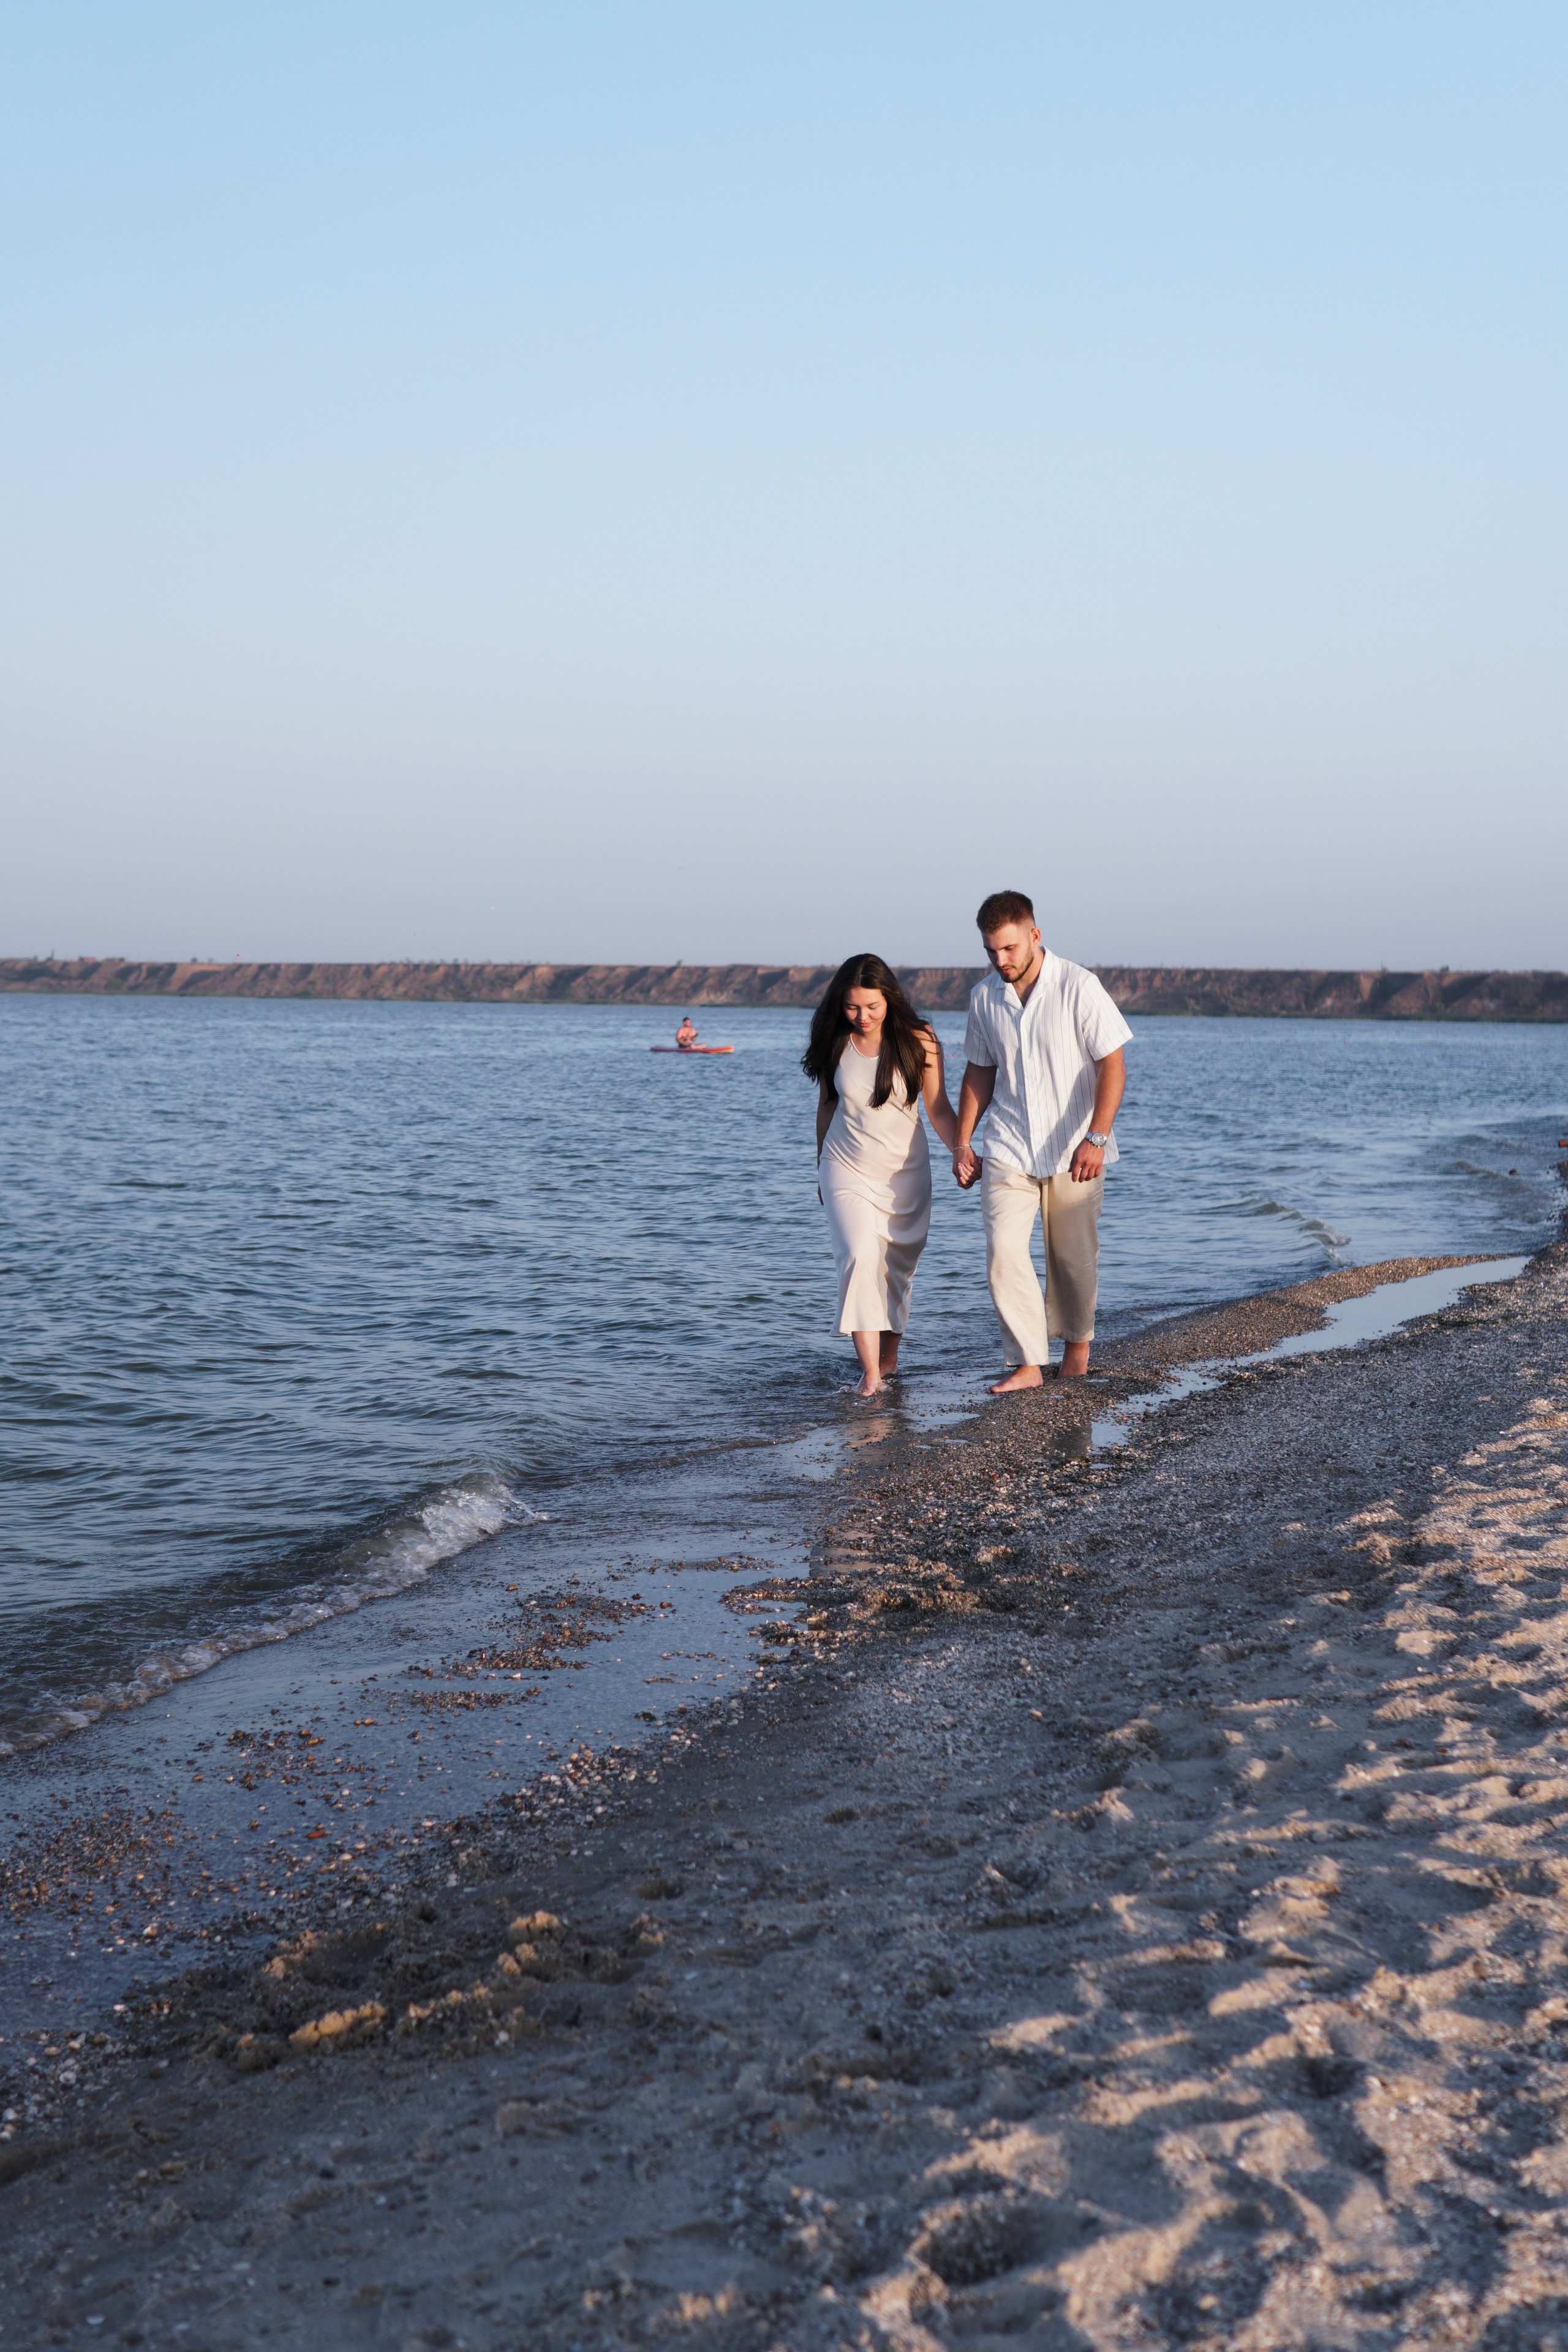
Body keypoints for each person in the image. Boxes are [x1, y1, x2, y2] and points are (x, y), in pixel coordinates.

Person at [952, 891, 1131, 1392]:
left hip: (1076, 1146)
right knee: (1003, 1250)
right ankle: (1029, 1363)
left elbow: (1113, 1065)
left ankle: (1076, 1355)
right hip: (1007, 1144)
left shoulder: (1079, 986)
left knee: (1072, 1258)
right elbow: (979, 1072)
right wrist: (963, 1143)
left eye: (1009, 948)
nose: (1000, 960)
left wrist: (1097, 1137)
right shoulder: (984, 997)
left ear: (1034, 935)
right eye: (991, 951)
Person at [803, 954, 962, 1398]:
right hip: (845, 1166)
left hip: (904, 1173)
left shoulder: (919, 1039)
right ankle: (871, 1375)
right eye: (853, 1007)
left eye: (872, 1006)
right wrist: (820, 1166)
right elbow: (827, 1106)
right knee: (859, 1255)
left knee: (896, 1269)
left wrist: (962, 1150)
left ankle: (889, 1362)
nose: (863, 1016)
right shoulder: (835, 1039)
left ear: (889, 999)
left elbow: (939, 1109)